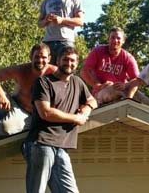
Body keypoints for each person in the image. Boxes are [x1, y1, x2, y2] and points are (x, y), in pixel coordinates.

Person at [23, 46, 97, 193]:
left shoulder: (78, 82)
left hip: (62, 146)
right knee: (37, 190)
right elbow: (45, 112)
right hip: (42, 144)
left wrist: (85, 111)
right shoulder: (43, 82)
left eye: (72, 61)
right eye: (65, 59)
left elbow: (93, 100)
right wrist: (76, 118)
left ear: (77, 63)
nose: (69, 63)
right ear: (57, 60)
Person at [0, 43, 57, 143]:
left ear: (49, 58)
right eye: (37, 57)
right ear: (31, 57)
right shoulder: (22, 70)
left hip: (30, 115)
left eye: (43, 57)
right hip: (13, 104)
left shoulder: (56, 73)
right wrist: (1, 94)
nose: (40, 60)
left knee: (3, 129)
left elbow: (72, 88)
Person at [80, 26, 149, 106]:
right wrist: (98, 86)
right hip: (103, 91)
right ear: (108, 39)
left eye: (118, 38)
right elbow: (84, 71)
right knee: (114, 90)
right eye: (112, 38)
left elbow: (136, 81)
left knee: (148, 103)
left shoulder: (128, 57)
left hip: (123, 90)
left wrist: (128, 94)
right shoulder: (98, 51)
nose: (115, 40)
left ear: (123, 41)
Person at [38, 0, 84, 64]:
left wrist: (62, 20)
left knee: (64, 70)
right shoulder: (46, 1)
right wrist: (46, 20)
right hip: (48, 41)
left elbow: (80, 21)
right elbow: (39, 24)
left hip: (65, 41)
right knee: (45, 71)